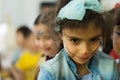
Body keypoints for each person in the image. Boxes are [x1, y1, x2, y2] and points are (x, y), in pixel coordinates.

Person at [37, 0, 118, 80]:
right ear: (60, 34)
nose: (84, 51)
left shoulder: (109, 66)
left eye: (93, 39)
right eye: (75, 40)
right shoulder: (50, 72)